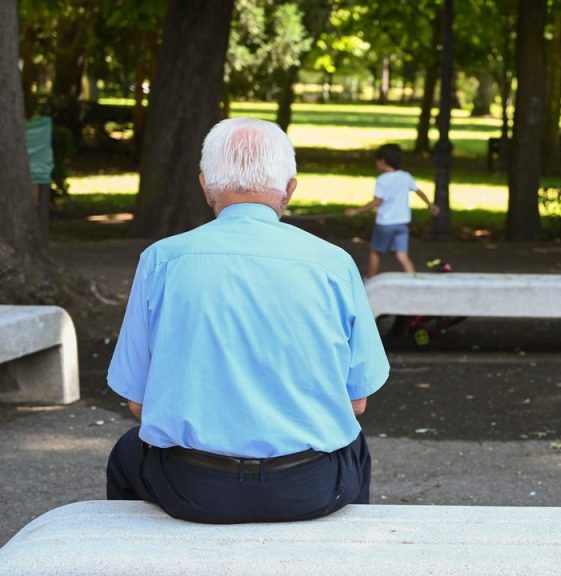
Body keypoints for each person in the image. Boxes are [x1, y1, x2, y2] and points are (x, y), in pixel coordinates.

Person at [106, 118, 390, 524]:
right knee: (355, 448)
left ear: (205, 185)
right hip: (309, 485)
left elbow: (138, 401)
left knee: (128, 453)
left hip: (192, 486)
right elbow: (356, 401)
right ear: (290, 188)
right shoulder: (333, 263)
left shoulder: (162, 260)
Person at [345, 144, 440, 277]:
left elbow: (377, 201)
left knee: (375, 252)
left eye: (377, 161)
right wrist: (430, 205)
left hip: (385, 224)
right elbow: (419, 192)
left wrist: (356, 211)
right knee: (402, 255)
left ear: (383, 161)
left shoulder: (382, 180)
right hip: (402, 223)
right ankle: (414, 279)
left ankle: (370, 281)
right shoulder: (406, 176)